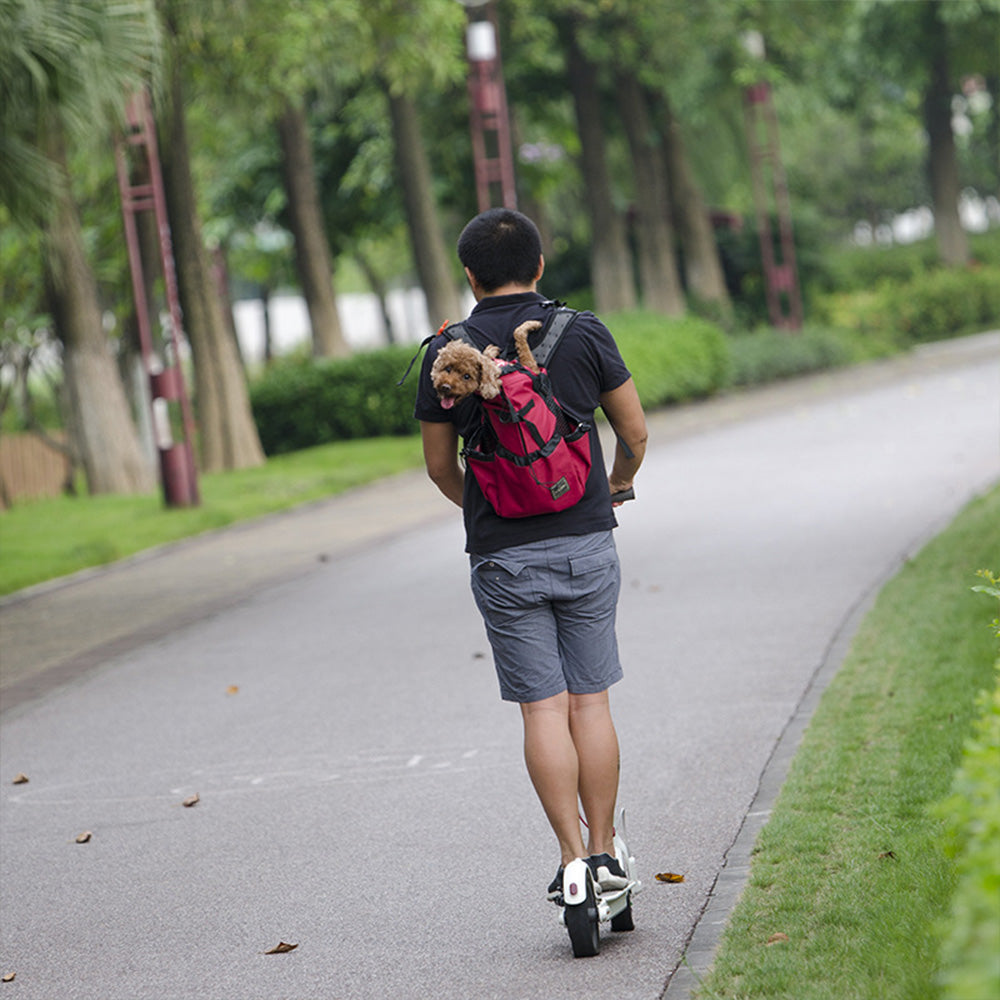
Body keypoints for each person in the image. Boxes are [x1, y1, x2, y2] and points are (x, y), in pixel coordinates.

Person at [414, 208, 647, 899]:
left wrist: (488, 513)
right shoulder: (581, 331)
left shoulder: (447, 352)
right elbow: (633, 432)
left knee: (543, 710)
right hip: (584, 537)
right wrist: (615, 488)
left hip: (503, 556)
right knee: (590, 703)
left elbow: (436, 467)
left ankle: (572, 861)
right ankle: (607, 856)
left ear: (469, 274)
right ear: (539, 266)